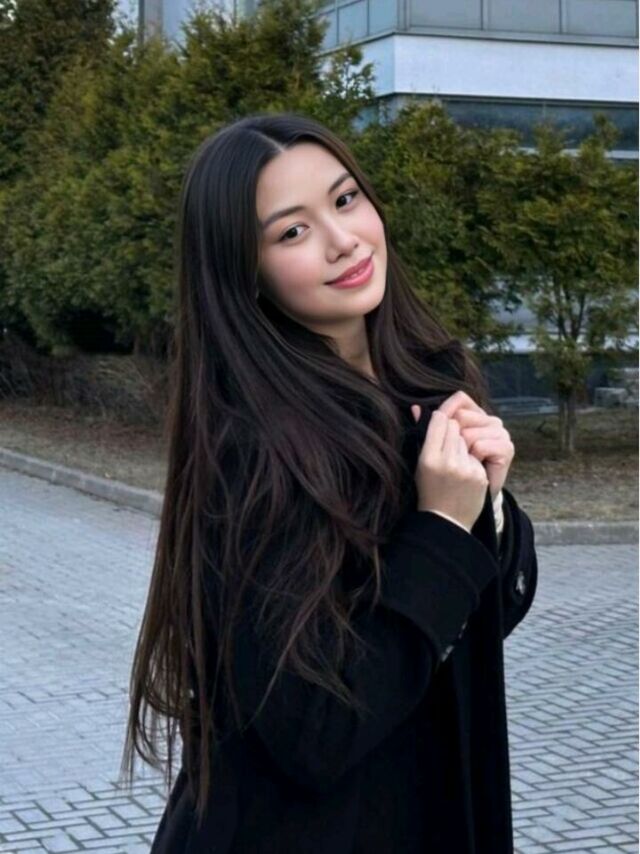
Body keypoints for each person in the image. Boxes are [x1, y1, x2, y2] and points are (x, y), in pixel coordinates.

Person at [120, 112, 538, 853]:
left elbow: (462, 631)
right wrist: (442, 528)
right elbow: (316, 731)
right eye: (292, 231)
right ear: (242, 272)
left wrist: (488, 507)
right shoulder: (254, 452)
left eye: (345, 200)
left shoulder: (430, 383)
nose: (343, 239)